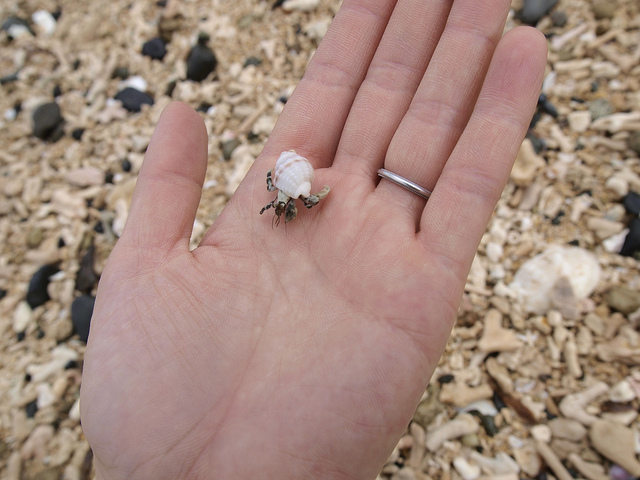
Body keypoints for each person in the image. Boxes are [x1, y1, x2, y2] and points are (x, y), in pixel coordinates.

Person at [80, 0, 547, 478]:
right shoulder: (281, 200)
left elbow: (289, 197)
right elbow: (276, 198)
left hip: (295, 179)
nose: (285, 212)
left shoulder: (292, 198)